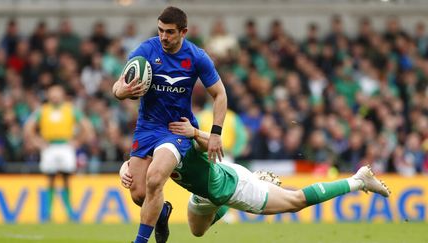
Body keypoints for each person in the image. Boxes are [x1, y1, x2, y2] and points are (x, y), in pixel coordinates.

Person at [120, 117, 391, 238]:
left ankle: (358, 179)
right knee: (197, 232)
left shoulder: (183, 134)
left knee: (296, 200)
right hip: (205, 194)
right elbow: (140, 162)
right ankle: (250, 184)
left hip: (232, 185)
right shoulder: (157, 143)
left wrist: (195, 133)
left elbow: (215, 143)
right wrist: (125, 169)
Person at [111, 6, 227, 243]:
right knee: (139, 194)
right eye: (161, 30)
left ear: (183, 32)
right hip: (147, 127)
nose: (164, 36)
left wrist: (215, 133)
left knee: (155, 179)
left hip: (177, 129)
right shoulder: (145, 51)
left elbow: (220, 94)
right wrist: (120, 91)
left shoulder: (196, 57)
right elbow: (118, 86)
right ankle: (162, 213)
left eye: (170, 32)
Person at [23, 84, 94, 221]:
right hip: (49, 146)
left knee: (66, 178)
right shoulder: (43, 110)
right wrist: (37, 142)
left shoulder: (70, 109)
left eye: (57, 93)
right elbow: (28, 127)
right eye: (52, 93)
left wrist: (78, 141)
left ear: (62, 95)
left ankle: (69, 211)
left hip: (65, 146)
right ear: (49, 95)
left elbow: (86, 125)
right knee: (50, 178)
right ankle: (48, 212)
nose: (55, 96)